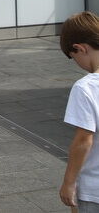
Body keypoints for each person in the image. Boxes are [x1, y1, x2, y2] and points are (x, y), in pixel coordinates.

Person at [59, 11, 99, 210]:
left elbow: (84, 139)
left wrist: (68, 182)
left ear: (79, 48)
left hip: (94, 189)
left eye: (73, 57)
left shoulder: (86, 87)